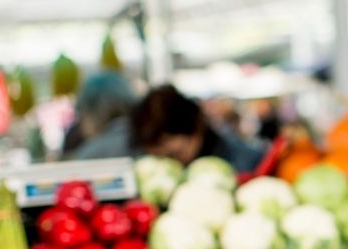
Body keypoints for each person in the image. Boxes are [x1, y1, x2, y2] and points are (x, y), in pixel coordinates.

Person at [72, 84, 264, 173]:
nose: (168, 165)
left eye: (175, 154)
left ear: (198, 128)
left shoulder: (240, 158)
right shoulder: (118, 145)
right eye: (157, 157)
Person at [62, 72, 137, 159]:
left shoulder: (92, 153)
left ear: (90, 111)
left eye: (80, 114)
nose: (80, 124)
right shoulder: (147, 142)